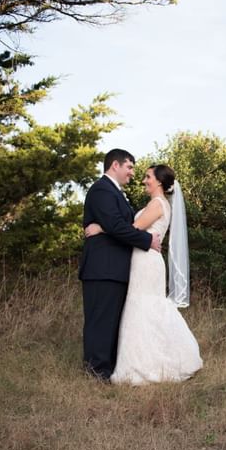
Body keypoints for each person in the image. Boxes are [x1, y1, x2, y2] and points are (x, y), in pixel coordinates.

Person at [85, 164, 203, 384]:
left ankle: (149, 365)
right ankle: (141, 361)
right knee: (142, 308)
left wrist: (100, 228)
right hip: (143, 259)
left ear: (159, 181)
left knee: (144, 307)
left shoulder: (158, 204)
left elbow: (133, 227)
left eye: (148, 177)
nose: (144, 180)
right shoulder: (158, 204)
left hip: (146, 261)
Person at [78, 149, 161, 381]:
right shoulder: (102, 190)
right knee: (100, 321)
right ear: (115, 165)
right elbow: (116, 225)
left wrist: (102, 227)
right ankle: (96, 373)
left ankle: (108, 368)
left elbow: (119, 224)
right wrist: (148, 241)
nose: (132, 173)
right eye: (130, 167)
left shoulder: (117, 193)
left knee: (111, 321)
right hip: (102, 268)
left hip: (114, 268)